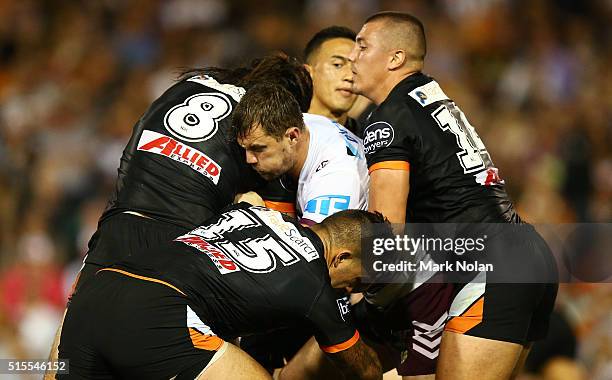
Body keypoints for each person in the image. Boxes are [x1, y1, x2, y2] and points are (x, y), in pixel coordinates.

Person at [46, 53, 313, 378]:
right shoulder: (258, 120)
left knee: (69, 360)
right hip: (175, 247)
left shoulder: (183, 86)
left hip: (114, 234)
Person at [345, 11, 558, 379]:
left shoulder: (388, 118)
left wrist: (366, 303)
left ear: (395, 58)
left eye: (362, 46)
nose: (352, 56)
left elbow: (385, 230)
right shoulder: (432, 97)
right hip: (526, 254)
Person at [58, 202, 384, 380]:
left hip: (98, 290)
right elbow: (365, 371)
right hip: (157, 311)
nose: (352, 288)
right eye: (359, 280)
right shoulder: (315, 285)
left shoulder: (255, 212)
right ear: (341, 257)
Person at [235, 82, 369, 226]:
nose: (249, 159)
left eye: (258, 149)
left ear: (292, 136)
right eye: (245, 148)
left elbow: (309, 246)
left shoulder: (335, 183)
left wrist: (258, 213)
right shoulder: (299, 121)